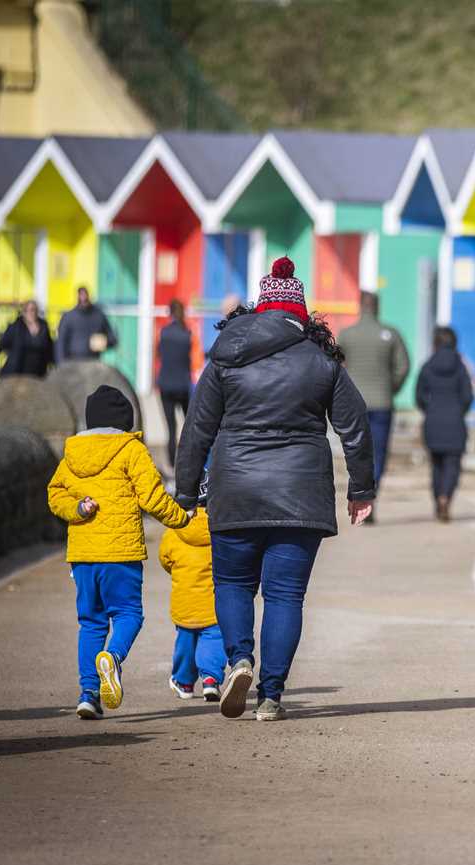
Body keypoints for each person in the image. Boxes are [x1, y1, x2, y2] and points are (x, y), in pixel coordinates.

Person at [174, 257, 374, 722]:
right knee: (285, 595)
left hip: (235, 488)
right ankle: (271, 696)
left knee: (233, 583)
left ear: (260, 306)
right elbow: (355, 426)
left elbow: (197, 428)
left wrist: (186, 492)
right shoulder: (322, 358)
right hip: (300, 495)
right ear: (300, 311)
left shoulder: (226, 353)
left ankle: (239, 659)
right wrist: (360, 489)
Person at [46, 385, 190, 719]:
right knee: (128, 614)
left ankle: (88, 694)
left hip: (82, 555)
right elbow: (153, 499)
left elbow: (54, 494)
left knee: (91, 622)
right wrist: (181, 519)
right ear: (125, 420)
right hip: (119, 552)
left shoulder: (72, 453)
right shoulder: (130, 449)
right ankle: (112, 656)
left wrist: (78, 510)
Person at [338, 290, 410, 524]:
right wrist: (391, 389)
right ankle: (370, 500)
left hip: (354, 404)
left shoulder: (347, 335)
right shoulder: (391, 334)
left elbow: (335, 365)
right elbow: (403, 366)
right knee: (378, 454)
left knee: (356, 451)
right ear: (378, 307)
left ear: (360, 306)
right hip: (382, 403)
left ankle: (358, 497)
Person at [159, 474, 224, 703]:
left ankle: (184, 682)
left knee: (185, 642)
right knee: (214, 639)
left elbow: (165, 559)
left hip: (184, 600)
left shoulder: (174, 529)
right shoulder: (220, 528)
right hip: (214, 601)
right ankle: (210, 679)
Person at [415, 326, 473, 523]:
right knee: (452, 465)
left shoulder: (427, 365)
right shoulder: (460, 367)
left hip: (433, 422)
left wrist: (430, 410)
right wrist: (458, 411)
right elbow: (468, 395)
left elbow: (419, 395)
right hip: (455, 422)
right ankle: (445, 497)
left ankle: (437, 499)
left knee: (436, 466)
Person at [156, 299, 193, 471]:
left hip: (166, 385)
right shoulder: (187, 334)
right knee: (188, 428)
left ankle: (171, 465)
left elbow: (159, 354)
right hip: (183, 386)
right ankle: (189, 463)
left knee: (171, 429)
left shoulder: (164, 332)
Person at [0, 300, 54, 379]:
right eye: (27, 310)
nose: (31, 313)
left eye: (33, 310)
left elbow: (49, 350)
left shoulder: (43, 327)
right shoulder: (16, 327)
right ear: (23, 312)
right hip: (16, 373)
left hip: (37, 374)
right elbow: (0, 348)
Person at [55, 286, 117, 364]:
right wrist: (61, 364)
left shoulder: (99, 316)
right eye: (81, 295)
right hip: (73, 363)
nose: (84, 298)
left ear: (89, 296)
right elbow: (60, 343)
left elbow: (113, 339)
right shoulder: (68, 317)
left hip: (93, 363)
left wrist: (104, 342)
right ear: (77, 297)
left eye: (85, 295)